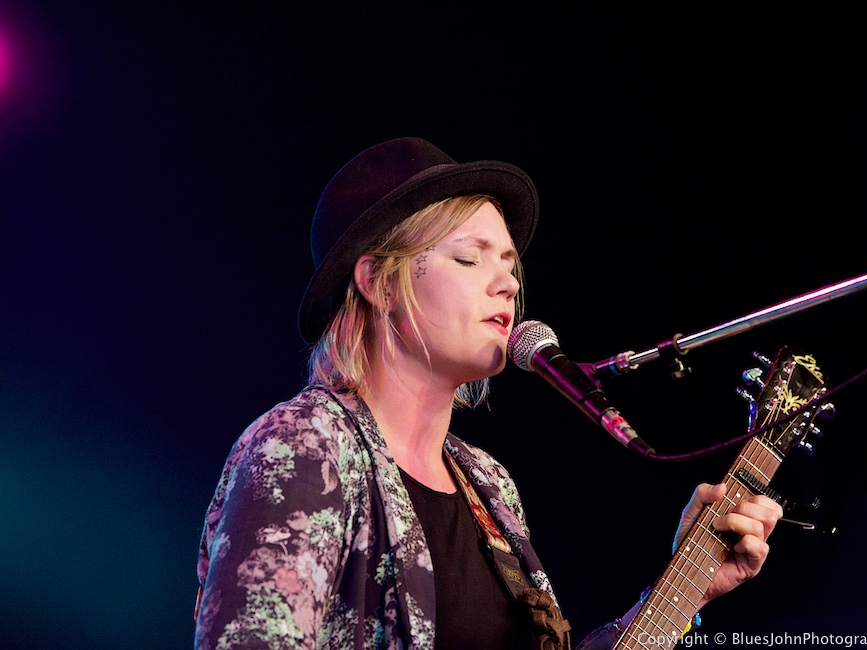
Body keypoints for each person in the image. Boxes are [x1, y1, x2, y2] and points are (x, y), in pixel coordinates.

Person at [193, 137, 783, 649]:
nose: (507, 284)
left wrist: (685, 585)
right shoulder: (306, 446)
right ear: (379, 283)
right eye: (469, 258)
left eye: (508, 264)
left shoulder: (489, 485)